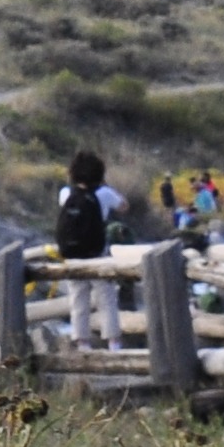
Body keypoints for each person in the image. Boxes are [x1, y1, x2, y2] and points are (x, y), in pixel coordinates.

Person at [56, 148, 125, 347]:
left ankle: (82, 343)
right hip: (97, 252)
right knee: (107, 298)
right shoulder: (104, 193)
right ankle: (113, 343)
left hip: (73, 254)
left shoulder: (65, 193)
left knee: (78, 298)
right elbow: (123, 206)